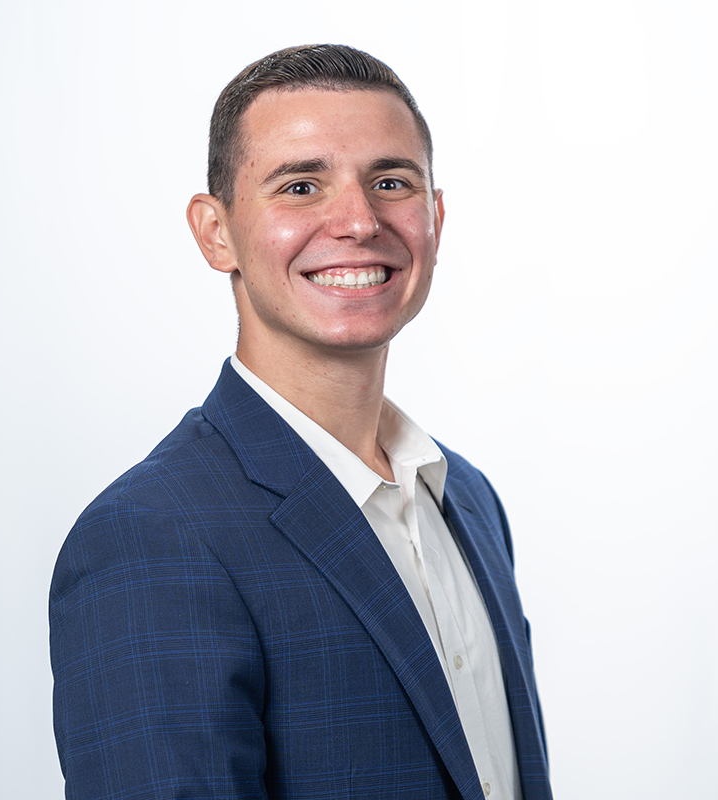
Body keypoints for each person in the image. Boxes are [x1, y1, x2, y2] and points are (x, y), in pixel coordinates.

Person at [50, 44, 552, 800]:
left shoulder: (468, 501)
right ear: (215, 232)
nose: (358, 221)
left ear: (436, 218)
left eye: (391, 182)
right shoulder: (150, 537)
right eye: (300, 186)